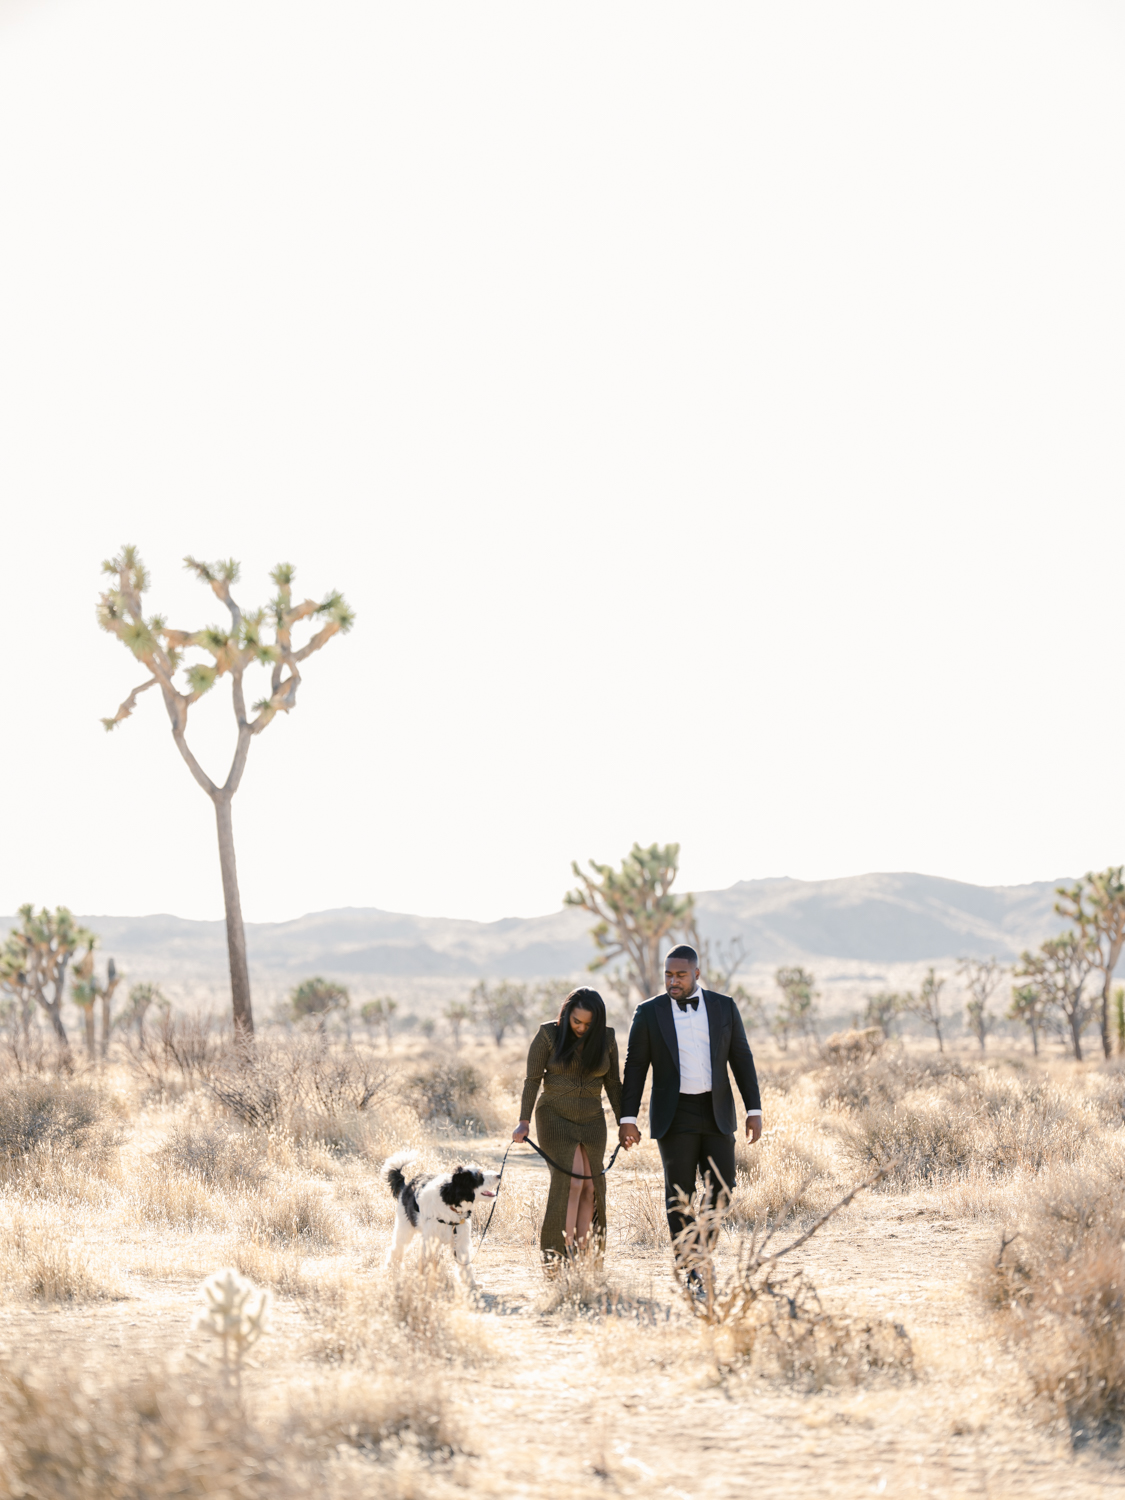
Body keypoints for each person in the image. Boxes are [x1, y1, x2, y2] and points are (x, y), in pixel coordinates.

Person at [619, 944, 762, 1290]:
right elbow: (636, 1067)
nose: (673, 981)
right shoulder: (648, 1013)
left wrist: (753, 1110)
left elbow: (741, 1058)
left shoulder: (723, 1006)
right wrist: (628, 1117)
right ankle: (692, 1269)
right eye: (668, 974)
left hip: (716, 1112)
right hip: (675, 1113)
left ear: (696, 974)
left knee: (723, 1188)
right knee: (679, 1194)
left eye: (681, 974)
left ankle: (701, 1253)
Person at [514, 987, 623, 1263]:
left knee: (590, 1187)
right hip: (554, 1116)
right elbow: (532, 1081)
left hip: (592, 1119)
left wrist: (626, 1123)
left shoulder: (607, 1039)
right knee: (572, 1181)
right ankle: (560, 1252)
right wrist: (523, 1121)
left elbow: (613, 1084)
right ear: (566, 1014)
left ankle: (586, 1259)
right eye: (577, 1022)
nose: (582, 1028)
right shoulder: (548, 1035)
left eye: (589, 1024)